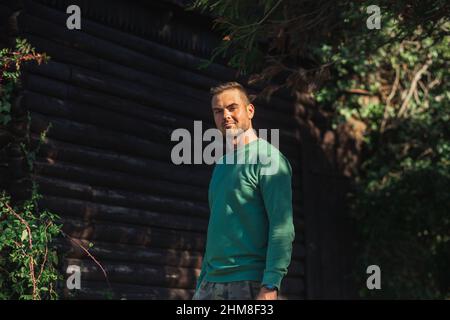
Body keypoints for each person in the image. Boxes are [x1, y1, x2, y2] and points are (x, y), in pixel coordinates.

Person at [192, 82, 295, 300]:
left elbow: (282, 226)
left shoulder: (270, 159)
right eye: (218, 111)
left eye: (232, 107)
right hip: (210, 283)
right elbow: (218, 228)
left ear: (250, 110)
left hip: (249, 283)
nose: (225, 116)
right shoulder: (221, 165)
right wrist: (201, 283)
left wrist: (270, 285)